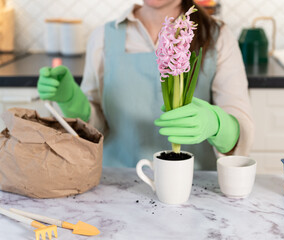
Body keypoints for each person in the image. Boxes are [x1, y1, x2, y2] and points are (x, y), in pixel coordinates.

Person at [37, 0, 254, 170]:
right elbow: (95, 129)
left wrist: (217, 124)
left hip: (195, 184)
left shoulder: (217, 37)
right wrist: (72, 102)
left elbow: (240, 130)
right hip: (117, 182)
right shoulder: (104, 37)